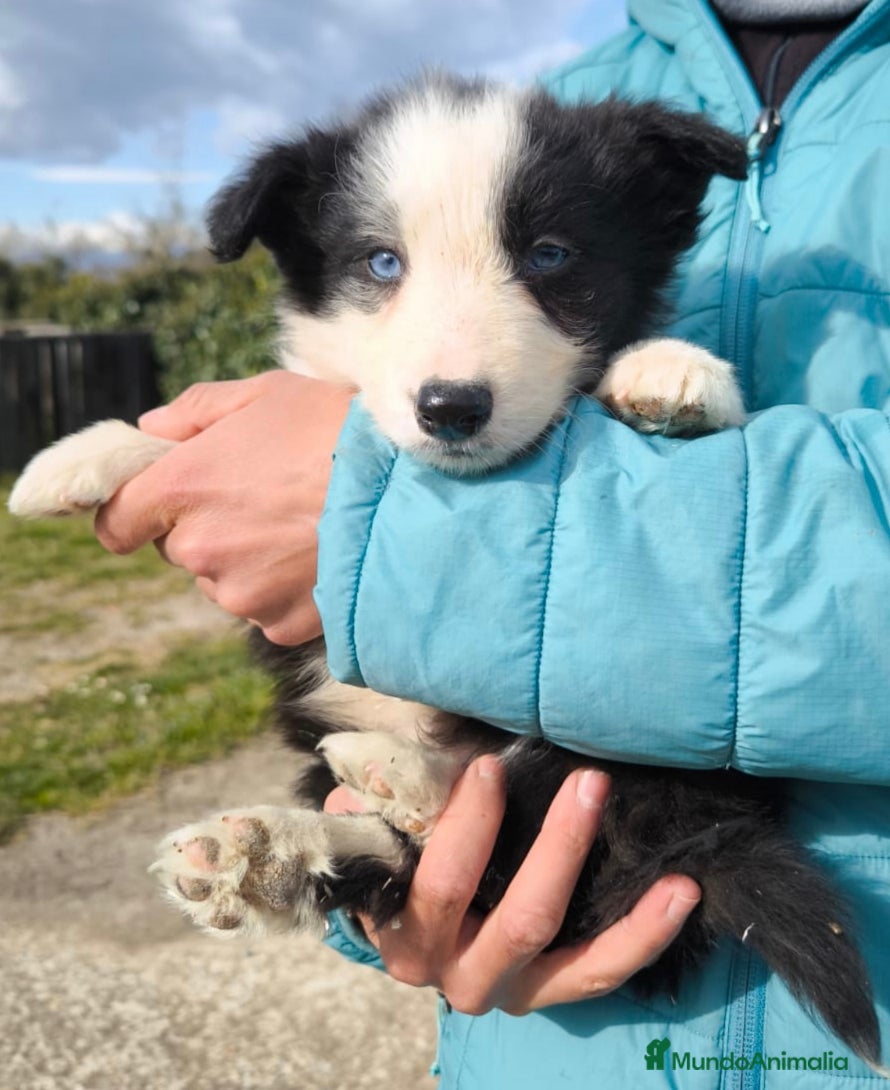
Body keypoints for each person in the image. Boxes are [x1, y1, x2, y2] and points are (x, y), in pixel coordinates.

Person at [95, 0, 890, 1085]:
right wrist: (404, 917)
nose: (454, 333)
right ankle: (368, 847)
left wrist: (364, 519)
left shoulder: (605, 146)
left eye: (548, 254)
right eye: (379, 261)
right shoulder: (557, 93)